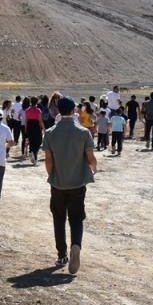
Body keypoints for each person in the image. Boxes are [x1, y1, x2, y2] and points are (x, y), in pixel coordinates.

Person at [43, 96, 96, 274]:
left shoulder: (50, 133)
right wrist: (93, 170)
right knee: (76, 218)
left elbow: (48, 161)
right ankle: (76, 246)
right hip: (78, 184)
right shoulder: (83, 132)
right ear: (74, 110)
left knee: (58, 218)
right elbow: (91, 158)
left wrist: (53, 176)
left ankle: (61, 254)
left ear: (58, 110)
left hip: (58, 183)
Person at [25, 98, 46, 165]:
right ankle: (34, 155)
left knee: (31, 141)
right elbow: (40, 120)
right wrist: (43, 128)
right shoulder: (38, 110)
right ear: (37, 102)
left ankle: (31, 152)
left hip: (29, 126)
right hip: (36, 126)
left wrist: (26, 129)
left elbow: (26, 121)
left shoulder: (27, 110)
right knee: (38, 141)